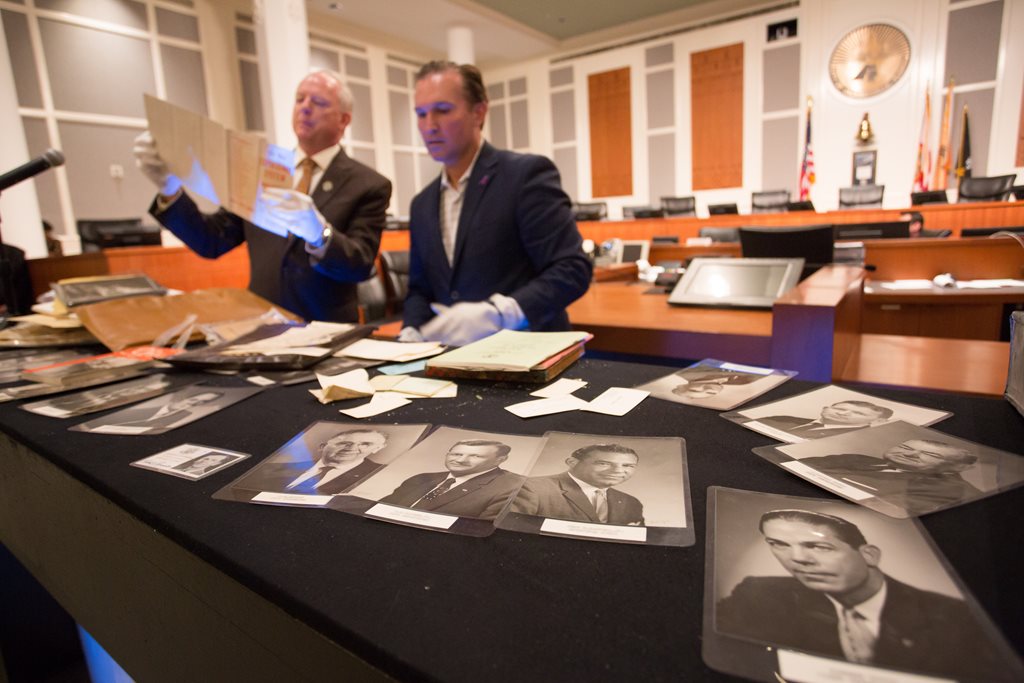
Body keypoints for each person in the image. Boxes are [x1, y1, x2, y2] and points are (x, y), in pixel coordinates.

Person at [133, 70, 392, 323]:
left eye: (319, 102)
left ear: (344, 120)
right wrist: (169, 188)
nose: (305, 107)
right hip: (263, 327)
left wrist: (320, 234)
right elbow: (212, 240)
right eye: (300, 99)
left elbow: (360, 265)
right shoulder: (263, 171)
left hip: (327, 330)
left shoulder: (368, 184)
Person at [398, 61, 591, 347]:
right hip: (453, 360)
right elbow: (420, 289)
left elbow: (572, 268)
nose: (429, 125)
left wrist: (501, 313)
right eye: (421, 114)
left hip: (529, 356)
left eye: (442, 110)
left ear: (479, 112)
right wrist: (411, 330)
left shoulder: (525, 175)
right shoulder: (422, 204)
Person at [715, 509, 1003, 679]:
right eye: (779, 544)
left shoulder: (957, 619)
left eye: (818, 546)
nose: (798, 559)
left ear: (869, 555)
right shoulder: (757, 594)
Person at [799, 439, 981, 515]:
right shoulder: (856, 458)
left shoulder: (951, 490)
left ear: (955, 467)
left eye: (932, 455)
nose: (910, 455)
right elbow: (795, 466)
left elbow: (888, 510)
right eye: (906, 448)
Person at [379, 439, 524, 520]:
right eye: (455, 454)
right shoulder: (421, 478)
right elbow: (382, 508)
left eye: (475, 456)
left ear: (500, 460)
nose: (460, 460)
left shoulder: (513, 486)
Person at [511, 444, 644, 525]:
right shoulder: (532, 488)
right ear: (572, 462)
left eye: (628, 465)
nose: (618, 471)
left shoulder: (631, 502)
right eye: (604, 463)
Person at [257, 429, 389, 495]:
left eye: (365, 444)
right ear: (322, 447)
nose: (352, 448)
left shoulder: (381, 475)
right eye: (344, 443)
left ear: (376, 449)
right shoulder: (273, 469)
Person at [87, 389, 224, 432]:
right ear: (186, 397)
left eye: (203, 402)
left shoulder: (184, 416)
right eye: (195, 400)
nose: (196, 403)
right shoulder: (143, 409)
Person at [755, 400, 893, 439]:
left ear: (877, 421)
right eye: (839, 409)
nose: (844, 414)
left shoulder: (850, 440)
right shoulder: (781, 419)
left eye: (859, 413)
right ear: (825, 408)